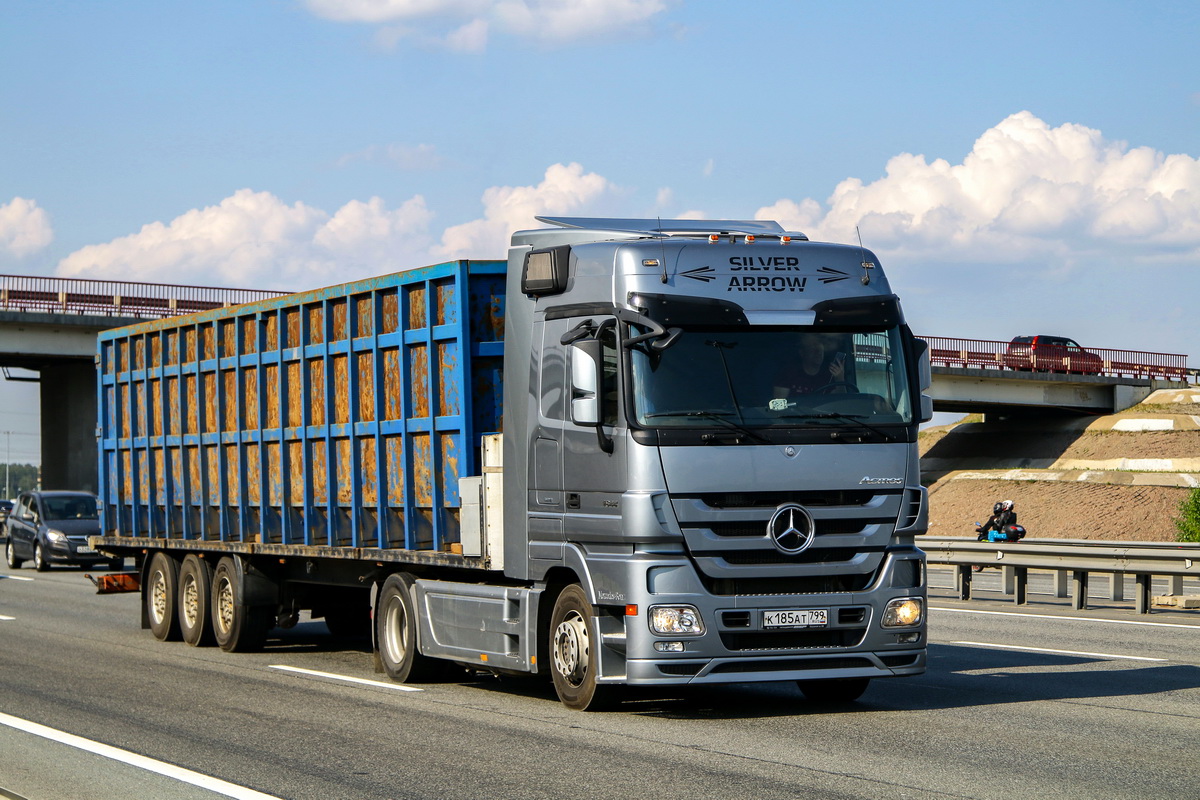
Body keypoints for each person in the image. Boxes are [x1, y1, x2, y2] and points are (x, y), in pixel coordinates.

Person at [773, 333, 847, 400]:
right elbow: (779, 406)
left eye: (820, 349)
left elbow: (840, 402)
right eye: (813, 348)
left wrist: (840, 378)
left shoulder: (828, 376)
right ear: (802, 352)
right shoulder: (788, 373)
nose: (818, 352)